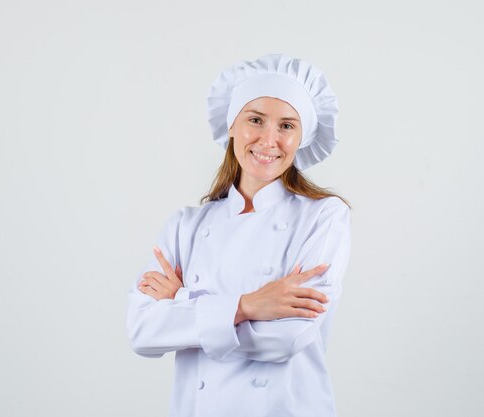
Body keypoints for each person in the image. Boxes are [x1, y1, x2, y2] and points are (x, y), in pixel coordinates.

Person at [126, 53, 352, 417]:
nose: (268, 140)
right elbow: (142, 332)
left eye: (287, 125)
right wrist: (249, 306)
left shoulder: (323, 216)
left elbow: (287, 337)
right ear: (231, 125)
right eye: (256, 120)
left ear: (302, 137)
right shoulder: (187, 224)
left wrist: (182, 300)